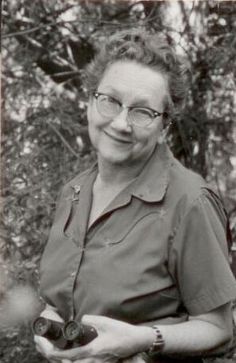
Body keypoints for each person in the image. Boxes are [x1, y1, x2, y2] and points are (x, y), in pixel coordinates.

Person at [34, 29, 236, 363]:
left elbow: (219, 327)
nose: (121, 123)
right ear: (89, 102)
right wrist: (51, 323)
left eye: (142, 111)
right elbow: (60, 298)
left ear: (165, 128)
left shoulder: (190, 202)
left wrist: (143, 340)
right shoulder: (72, 192)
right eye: (110, 100)